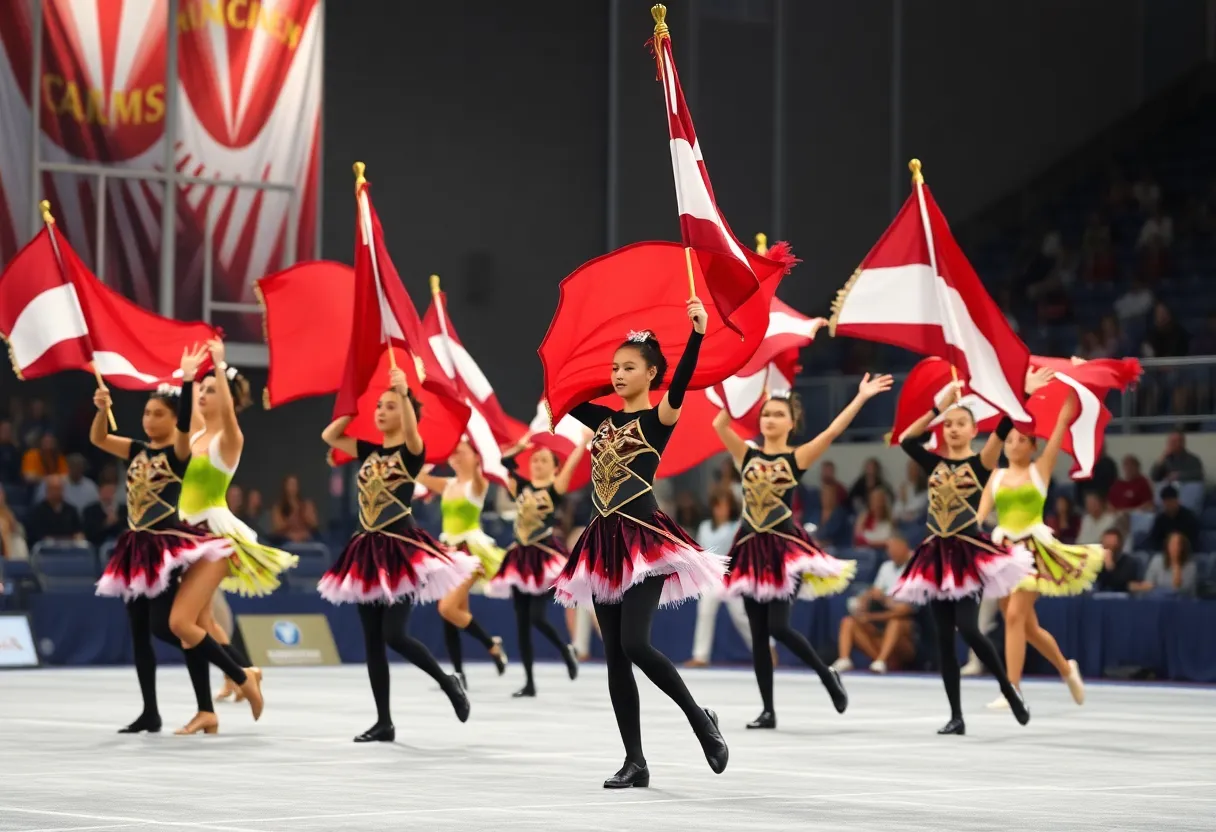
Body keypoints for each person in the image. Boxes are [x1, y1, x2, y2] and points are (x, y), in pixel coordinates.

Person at [553, 300, 728, 789]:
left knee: (635, 643)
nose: (618, 373)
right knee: (614, 656)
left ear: (651, 373)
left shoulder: (657, 419)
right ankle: (635, 761)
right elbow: (562, 396)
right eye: (613, 367)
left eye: (629, 366)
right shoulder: (601, 420)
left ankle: (699, 718)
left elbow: (681, 383)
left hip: (644, 540)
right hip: (602, 542)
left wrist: (695, 335)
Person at [716, 378, 891, 729]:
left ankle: (827, 675)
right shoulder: (745, 453)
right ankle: (767, 709)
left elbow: (832, 430)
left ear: (791, 423)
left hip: (784, 550)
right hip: (750, 549)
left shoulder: (796, 457)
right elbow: (719, 423)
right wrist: (746, 390)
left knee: (778, 626)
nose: (770, 419)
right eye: (766, 413)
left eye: (778, 414)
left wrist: (860, 397)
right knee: (759, 633)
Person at [319, 366, 475, 742]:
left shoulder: (411, 454)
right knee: (372, 639)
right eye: (379, 407)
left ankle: (447, 680)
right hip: (366, 548)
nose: (381, 411)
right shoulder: (368, 450)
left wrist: (404, 394)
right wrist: (352, 401)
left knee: (394, 634)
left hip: (401, 549)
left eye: (389, 407)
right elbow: (331, 435)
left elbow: (414, 436)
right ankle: (384, 721)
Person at [890, 374, 1043, 735]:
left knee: (970, 628)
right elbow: (908, 441)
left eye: (962, 424)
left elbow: (1006, 426)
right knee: (944, 638)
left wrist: (1023, 392)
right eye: (950, 424)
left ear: (974, 430)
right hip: (934, 555)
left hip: (967, 554)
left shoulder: (980, 463)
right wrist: (937, 408)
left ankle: (1009, 689)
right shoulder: (935, 466)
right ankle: (955, 716)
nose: (954, 429)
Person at [90, 382, 235, 734]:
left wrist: (186, 383)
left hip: (164, 550)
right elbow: (99, 439)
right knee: (140, 633)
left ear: (174, 420)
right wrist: (100, 409)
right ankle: (150, 712)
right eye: (146, 413)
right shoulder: (137, 450)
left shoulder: (178, 453)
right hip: (135, 549)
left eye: (158, 414)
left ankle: (233, 672)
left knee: (168, 627)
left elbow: (186, 426)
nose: (149, 419)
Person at [171, 341, 295, 734]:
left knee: (185, 623)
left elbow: (224, 409)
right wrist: (190, 377)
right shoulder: (193, 438)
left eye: (212, 390)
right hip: (187, 538)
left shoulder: (228, 442)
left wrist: (221, 367)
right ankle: (214, 701)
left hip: (212, 537)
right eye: (202, 392)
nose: (204, 396)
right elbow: (188, 410)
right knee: (203, 625)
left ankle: (243, 677)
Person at [977, 393, 1098, 711]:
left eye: (1021, 440)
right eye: (1010, 440)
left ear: (1033, 446)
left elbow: (1058, 430)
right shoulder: (997, 476)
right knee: (1026, 627)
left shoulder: (1040, 469)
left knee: (1015, 616)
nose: (1013, 444)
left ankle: (1011, 688)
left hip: (1033, 551)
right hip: (1004, 553)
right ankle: (1066, 667)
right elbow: (979, 515)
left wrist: (1067, 405)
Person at [487, 439, 588, 696]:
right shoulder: (521, 486)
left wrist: (584, 442)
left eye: (544, 460)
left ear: (554, 468)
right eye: (535, 460)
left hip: (544, 557)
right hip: (520, 557)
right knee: (521, 622)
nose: (538, 464)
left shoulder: (555, 487)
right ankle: (529, 682)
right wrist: (521, 447)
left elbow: (574, 462)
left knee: (536, 617)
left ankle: (565, 649)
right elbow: (505, 462)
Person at [416, 440, 508, 687]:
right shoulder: (447, 484)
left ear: (474, 456)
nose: (455, 456)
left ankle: (491, 645)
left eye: (460, 451)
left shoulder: (478, 485)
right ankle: (458, 675)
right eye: (452, 452)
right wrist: (432, 456)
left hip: (471, 552)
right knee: (453, 615)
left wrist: (478, 450)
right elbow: (417, 475)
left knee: (447, 608)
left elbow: (481, 476)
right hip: (448, 552)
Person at [685, 490, 752, 669]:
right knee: (705, 611)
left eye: (724, 506)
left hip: (730, 576)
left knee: (741, 616)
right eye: (717, 505)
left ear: (730, 508)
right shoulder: (704, 527)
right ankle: (701, 656)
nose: (720, 510)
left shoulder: (737, 526)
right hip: (711, 576)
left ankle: (764, 648)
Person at [833, 535, 916, 673]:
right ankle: (846, 659)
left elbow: (905, 609)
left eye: (895, 548)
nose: (891, 552)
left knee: (896, 622)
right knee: (848, 621)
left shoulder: (916, 568)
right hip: (880, 621)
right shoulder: (886, 566)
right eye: (889, 548)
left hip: (906, 633)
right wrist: (864, 599)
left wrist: (881, 603)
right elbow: (875, 591)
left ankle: (882, 660)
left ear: (905, 548)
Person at [1130, 531, 1198, 596]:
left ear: (1183, 548)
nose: (1175, 548)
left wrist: (1176, 567)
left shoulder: (1191, 567)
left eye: (1178, 545)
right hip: (1158, 600)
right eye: (1172, 544)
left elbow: (1180, 591)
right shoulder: (1156, 561)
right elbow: (1148, 585)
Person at [26, 475, 84, 546]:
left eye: (58, 489)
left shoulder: (71, 510)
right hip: (46, 550)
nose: (56, 492)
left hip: (69, 549)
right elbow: (35, 535)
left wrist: (78, 536)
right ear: (47, 490)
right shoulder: (37, 511)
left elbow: (78, 532)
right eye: (53, 489)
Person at [270, 474, 318, 543]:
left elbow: (314, 524)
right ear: (285, 487)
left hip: (306, 538)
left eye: (294, 484)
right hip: (286, 540)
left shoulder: (306, 504)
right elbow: (277, 527)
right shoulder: (278, 507)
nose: (293, 487)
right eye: (290, 484)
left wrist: (306, 515)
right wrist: (290, 520)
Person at [1149, 485, 1199, 550]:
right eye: (1166, 502)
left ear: (1177, 501)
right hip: (1164, 553)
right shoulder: (1160, 519)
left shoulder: (1189, 517)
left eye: (1170, 501)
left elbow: (1193, 540)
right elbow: (1155, 540)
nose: (1168, 505)